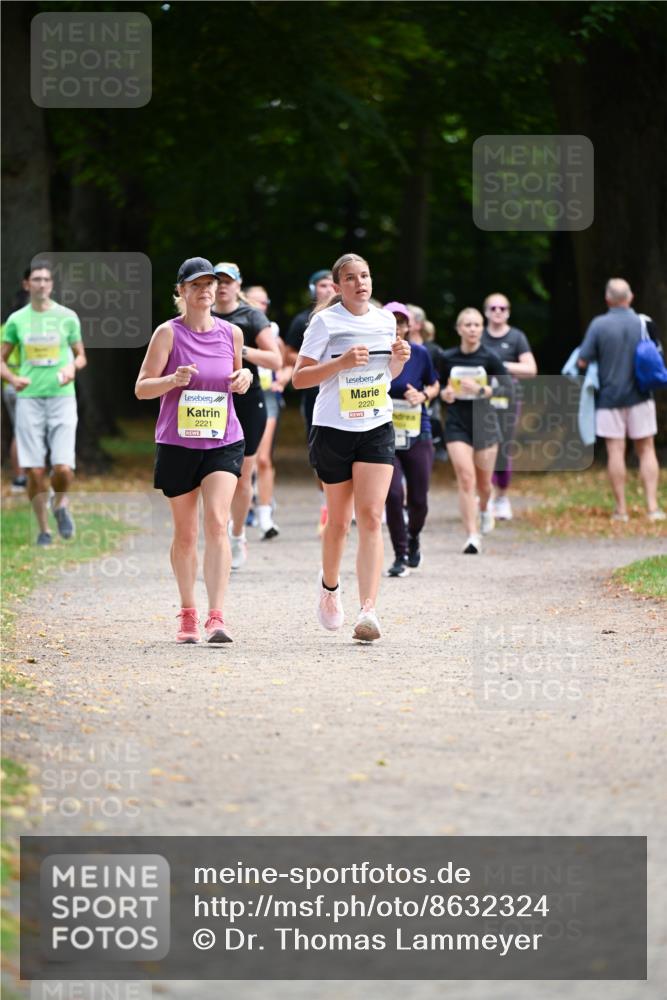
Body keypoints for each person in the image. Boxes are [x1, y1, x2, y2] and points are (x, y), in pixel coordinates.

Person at [292, 253, 410, 642]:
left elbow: (384, 376)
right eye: (351, 278)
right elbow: (300, 379)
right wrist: (340, 363)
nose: (361, 283)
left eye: (366, 275)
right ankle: (329, 588)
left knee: (372, 516)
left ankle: (369, 610)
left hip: (376, 424)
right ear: (338, 285)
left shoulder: (385, 320)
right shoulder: (324, 322)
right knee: (340, 522)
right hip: (333, 428)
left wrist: (397, 362)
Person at [135, 257, 252, 643]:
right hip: (177, 443)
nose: (206, 291)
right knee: (186, 534)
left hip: (224, 438)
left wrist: (245, 378)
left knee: (218, 522)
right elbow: (141, 387)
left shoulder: (231, 333)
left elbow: (236, 376)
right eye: (197, 285)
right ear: (181, 291)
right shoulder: (167, 334)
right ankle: (188, 613)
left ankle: (217, 617)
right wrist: (171, 379)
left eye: (211, 285)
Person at [1, 261, 86, 545]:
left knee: (63, 468)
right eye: (35, 279)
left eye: (46, 279)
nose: (41, 284)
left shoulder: (67, 317)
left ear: (51, 284)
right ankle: (43, 530)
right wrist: (13, 379)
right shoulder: (16, 320)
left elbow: (80, 356)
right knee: (35, 470)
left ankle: (60, 503)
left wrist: (72, 368)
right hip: (29, 399)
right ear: (27, 284)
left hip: (62, 396)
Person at [212, 263, 282, 567]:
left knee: (242, 476)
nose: (223, 286)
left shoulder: (251, 315)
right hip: (212, 401)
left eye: (228, 281)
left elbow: (275, 359)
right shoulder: (203, 314)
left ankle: (237, 534)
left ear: (238, 285)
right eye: (218, 281)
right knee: (213, 473)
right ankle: (218, 534)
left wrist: (242, 352)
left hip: (247, 400)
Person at [577, 278, 664, 522]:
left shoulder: (599, 325)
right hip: (641, 395)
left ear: (607, 299)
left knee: (615, 451)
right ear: (630, 297)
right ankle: (652, 508)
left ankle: (621, 510)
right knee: (646, 449)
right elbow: (657, 354)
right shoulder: (644, 322)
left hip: (609, 398)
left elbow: (583, 360)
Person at [438, 308, 513, 554]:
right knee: (466, 478)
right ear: (459, 329)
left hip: (485, 423)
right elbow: (436, 386)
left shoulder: (490, 357)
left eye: (477, 325)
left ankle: (484, 508)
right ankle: (472, 535)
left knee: (483, 484)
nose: (472, 329)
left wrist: (482, 391)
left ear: (482, 329)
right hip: (457, 423)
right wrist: (444, 394)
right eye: (467, 325)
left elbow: (507, 389)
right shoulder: (447, 358)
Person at [382, 301, 439, 577]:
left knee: (419, 498)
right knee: (393, 494)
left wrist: (423, 395)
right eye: (390, 321)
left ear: (408, 326)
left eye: (401, 322)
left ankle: (414, 536)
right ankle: (399, 554)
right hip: (384, 432)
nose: (396, 327)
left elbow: (435, 383)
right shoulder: (375, 353)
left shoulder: (420, 353)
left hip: (418, 430)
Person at [285, 269, 336, 532]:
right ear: (312, 289)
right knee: (321, 454)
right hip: (314, 396)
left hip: (351, 397)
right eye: (321, 285)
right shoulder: (303, 320)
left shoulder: (353, 318)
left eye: (331, 284)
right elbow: (288, 354)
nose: (327, 289)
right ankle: (325, 503)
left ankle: (347, 505)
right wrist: (315, 362)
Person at [482, 292, 537, 520]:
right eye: (493, 308)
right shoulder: (478, 335)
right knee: (482, 446)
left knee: (504, 446)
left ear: (508, 312)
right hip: (481, 400)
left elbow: (531, 369)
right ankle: (486, 495)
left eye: (502, 308)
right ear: (486, 311)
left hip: (508, 399)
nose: (497, 312)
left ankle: (502, 496)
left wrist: (501, 365)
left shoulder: (516, 337)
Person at [244, 284, 293, 539]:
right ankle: (239, 516)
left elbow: (286, 366)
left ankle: (265, 516)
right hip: (240, 394)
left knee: (262, 459)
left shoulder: (272, 333)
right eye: (255, 301)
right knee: (243, 462)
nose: (260, 307)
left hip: (267, 397)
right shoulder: (236, 327)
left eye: (264, 303)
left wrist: (281, 380)